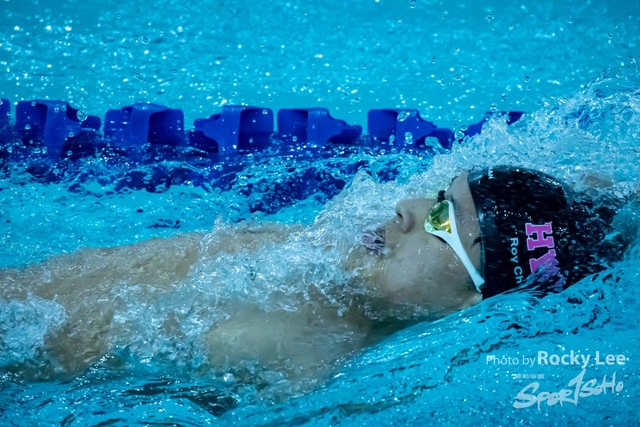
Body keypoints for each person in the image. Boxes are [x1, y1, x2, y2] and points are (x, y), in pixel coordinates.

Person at [0, 165, 636, 384]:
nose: (407, 207)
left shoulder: (293, 359)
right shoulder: (313, 258)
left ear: (476, 303)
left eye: (442, 218)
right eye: (436, 195)